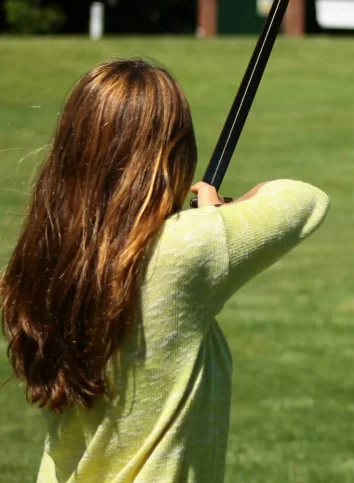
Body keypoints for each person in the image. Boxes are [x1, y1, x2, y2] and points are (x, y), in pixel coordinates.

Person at [0, 58, 330, 482]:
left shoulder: (39, 262)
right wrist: (214, 217)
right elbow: (303, 199)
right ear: (173, 154)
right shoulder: (186, 246)